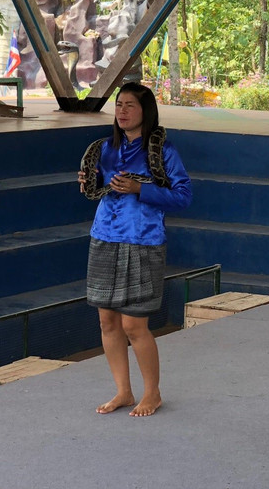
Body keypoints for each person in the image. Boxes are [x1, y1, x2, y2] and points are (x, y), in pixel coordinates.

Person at [78, 83, 192, 417]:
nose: (123, 111)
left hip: (143, 240)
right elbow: (96, 186)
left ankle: (152, 394)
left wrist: (140, 188)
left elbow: (184, 196)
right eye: (119, 105)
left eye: (130, 105)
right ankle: (123, 392)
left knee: (134, 326)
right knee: (107, 321)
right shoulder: (104, 149)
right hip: (104, 237)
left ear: (145, 111)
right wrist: (87, 180)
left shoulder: (164, 150)